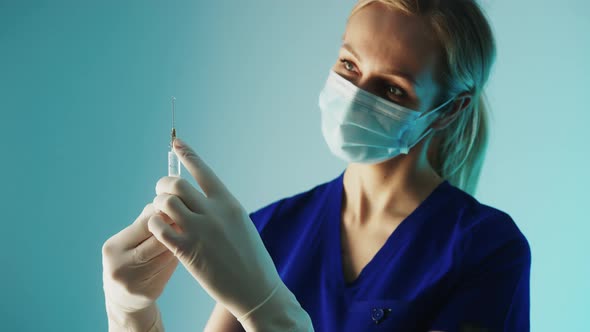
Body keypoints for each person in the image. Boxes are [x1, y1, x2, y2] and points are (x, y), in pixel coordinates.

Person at [102, 0, 531, 331]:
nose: (355, 99)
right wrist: (133, 312)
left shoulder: (486, 249)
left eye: (392, 89)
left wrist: (269, 309)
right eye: (349, 65)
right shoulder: (269, 231)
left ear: (447, 111)